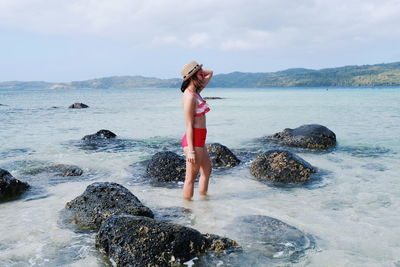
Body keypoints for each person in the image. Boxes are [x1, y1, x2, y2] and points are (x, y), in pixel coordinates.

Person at [180, 60, 213, 200]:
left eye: (201, 72)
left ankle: (204, 201)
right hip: (193, 140)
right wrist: (191, 151)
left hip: (200, 139)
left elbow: (210, 73)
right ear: (192, 77)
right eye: (199, 73)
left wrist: (199, 70)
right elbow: (188, 125)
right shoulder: (189, 97)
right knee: (190, 179)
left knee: (207, 170)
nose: (202, 74)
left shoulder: (197, 91)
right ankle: (186, 210)